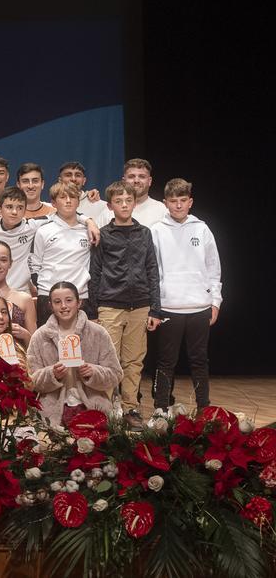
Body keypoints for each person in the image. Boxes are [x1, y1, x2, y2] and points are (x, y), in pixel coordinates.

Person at [88, 180, 162, 429]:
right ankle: (108, 409)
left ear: (134, 203)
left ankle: (131, 408)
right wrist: (95, 308)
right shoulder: (104, 235)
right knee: (108, 360)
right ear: (110, 206)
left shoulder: (144, 233)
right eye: (118, 201)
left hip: (140, 305)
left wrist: (155, 308)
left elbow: (152, 270)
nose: (124, 205)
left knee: (134, 360)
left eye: (128, 200)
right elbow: (95, 272)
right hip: (110, 305)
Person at [150, 178, 221, 411]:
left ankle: (204, 408)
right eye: (173, 201)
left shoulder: (202, 228)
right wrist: (155, 307)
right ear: (165, 203)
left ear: (190, 202)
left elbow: (213, 268)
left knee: (199, 361)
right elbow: (153, 271)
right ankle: (161, 409)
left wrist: (216, 301)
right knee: (165, 362)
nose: (178, 205)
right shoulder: (157, 230)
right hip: (170, 307)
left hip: (200, 305)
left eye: (183, 201)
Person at [27, 282, 122, 428]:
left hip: (93, 405)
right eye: (57, 302)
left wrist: (93, 372)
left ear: (79, 302)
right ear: (50, 306)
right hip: (52, 408)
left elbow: (115, 374)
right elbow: (31, 381)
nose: (63, 306)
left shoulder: (98, 333)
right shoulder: (40, 337)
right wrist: (52, 374)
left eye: (69, 300)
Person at [31, 182, 97, 323]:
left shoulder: (89, 231)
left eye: (72, 197)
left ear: (78, 202)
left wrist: (89, 221)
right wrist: (44, 289)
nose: (68, 201)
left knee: (81, 343)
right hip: (48, 295)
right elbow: (34, 264)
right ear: (53, 203)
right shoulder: (43, 230)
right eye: (62, 197)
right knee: (49, 342)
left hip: (80, 295)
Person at [98, 158, 166, 227]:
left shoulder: (162, 210)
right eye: (131, 177)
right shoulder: (108, 212)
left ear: (149, 181)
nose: (136, 181)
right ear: (123, 181)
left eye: (142, 176)